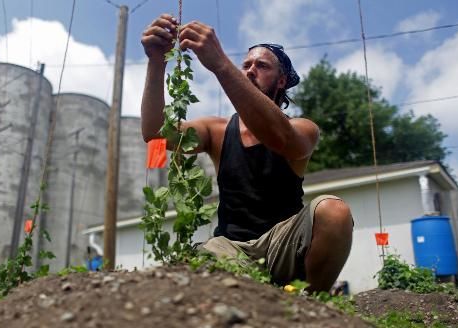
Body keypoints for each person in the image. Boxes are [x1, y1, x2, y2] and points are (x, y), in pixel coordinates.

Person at [141, 14, 353, 293]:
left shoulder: (302, 128)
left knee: (334, 211)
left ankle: (314, 305)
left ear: (281, 81)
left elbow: (279, 137)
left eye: (262, 65)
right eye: (246, 65)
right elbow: (156, 134)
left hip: (283, 246)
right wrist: (156, 61)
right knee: (194, 266)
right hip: (229, 248)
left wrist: (219, 64)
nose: (250, 69)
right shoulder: (216, 130)